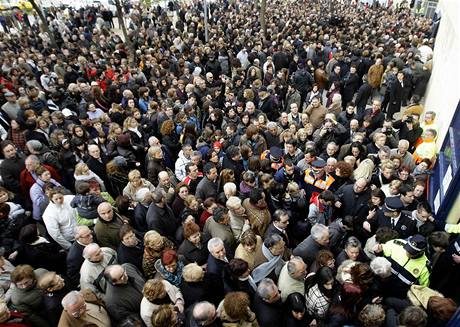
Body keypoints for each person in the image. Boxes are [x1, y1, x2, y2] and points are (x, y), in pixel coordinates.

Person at [66, 226, 93, 291]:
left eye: (91, 233)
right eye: (87, 236)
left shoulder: (90, 239)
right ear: (78, 238)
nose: (91, 236)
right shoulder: (74, 256)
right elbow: (73, 275)